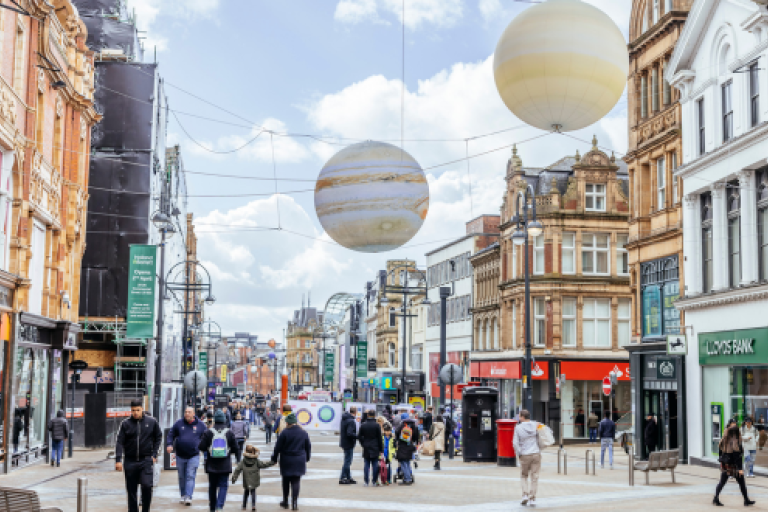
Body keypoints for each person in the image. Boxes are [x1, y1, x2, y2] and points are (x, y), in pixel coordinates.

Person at [115, 400, 163, 512]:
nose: (135, 412)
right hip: (130, 461)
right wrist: (118, 459)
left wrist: (154, 454)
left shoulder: (151, 422)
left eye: (137, 410)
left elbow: (158, 437)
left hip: (146, 460)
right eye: (133, 410)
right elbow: (119, 442)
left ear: (142, 409)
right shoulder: (125, 424)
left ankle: (146, 509)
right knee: (131, 490)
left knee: (147, 486)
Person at [198, 410, 241, 512]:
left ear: (215, 420)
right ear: (224, 420)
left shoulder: (208, 432)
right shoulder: (229, 432)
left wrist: (209, 449)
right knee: (223, 486)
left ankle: (212, 508)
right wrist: (234, 456)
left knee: (212, 487)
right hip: (225, 464)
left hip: (211, 464)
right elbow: (236, 448)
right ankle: (219, 506)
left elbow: (201, 446)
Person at [167, 406, 208, 506]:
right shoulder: (179, 423)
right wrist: (169, 444)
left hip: (194, 455)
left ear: (193, 413)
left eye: (189, 412)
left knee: (190, 476)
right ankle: (183, 495)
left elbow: (207, 437)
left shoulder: (201, 425)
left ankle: (188, 496)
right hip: (180, 455)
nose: (187, 414)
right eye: (185, 412)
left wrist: (204, 449)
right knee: (182, 477)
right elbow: (171, 434)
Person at [271, 413, 311, 510]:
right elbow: (308, 447)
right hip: (299, 460)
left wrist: (274, 458)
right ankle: (294, 503)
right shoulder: (303, 433)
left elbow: (277, 447)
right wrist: (307, 458)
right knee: (296, 481)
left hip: (286, 460)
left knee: (286, 481)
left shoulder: (284, 433)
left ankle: (285, 501)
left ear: (288, 423)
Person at [713, 425, 755, 507]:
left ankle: (716, 498)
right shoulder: (736, 441)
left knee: (722, 482)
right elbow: (737, 456)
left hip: (726, 464)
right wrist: (740, 469)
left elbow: (720, 451)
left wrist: (723, 460)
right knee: (742, 483)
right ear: (736, 432)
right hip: (734, 466)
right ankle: (746, 500)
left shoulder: (724, 439)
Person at [232, 444, 275, 511]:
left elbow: (238, 469)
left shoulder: (243, 461)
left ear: (246, 451)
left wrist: (234, 478)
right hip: (254, 479)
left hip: (246, 479)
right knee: (253, 492)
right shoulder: (256, 461)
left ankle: (244, 506)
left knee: (246, 492)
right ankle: (253, 505)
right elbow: (264, 465)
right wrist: (272, 463)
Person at [512, 409, 540, 507]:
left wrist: (518, 453)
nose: (519, 418)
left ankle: (525, 495)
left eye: (519, 416)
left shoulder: (518, 428)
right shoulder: (536, 425)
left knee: (524, 475)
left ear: (523, 417)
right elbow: (540, 437)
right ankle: (532, 499)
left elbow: (515, 443)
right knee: (534, 477)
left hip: (524, 454)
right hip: (536, 453)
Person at [358, 409, 383, 486]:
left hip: (366, 446)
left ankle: (366, 481)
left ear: (368, 415)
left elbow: (359, 436)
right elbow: (379, 438)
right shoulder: (377, 425)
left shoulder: (363, 425)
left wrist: (363, 443)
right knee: (375, 465)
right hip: (375, 446)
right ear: (374, 416)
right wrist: (381, 449)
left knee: (366, 464)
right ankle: (374, 481)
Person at [394, 412, 420, 485]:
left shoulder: (402, 425)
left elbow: (396, 433)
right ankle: (408, 477)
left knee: (403, 463)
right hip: (410, 446)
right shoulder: (414, 426)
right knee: (408, 463)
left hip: (402, 446)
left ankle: (407, 479)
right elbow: (416, 437)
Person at [339, 406, 358, 485]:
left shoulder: (344, 419)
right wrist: (357, 436)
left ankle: (348, 477)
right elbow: (349, 433)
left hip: (344, 442)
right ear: (355, 412)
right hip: (349, 443)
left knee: (347, 460)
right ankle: (342, 478)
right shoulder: (351, 421)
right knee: (348, 461)